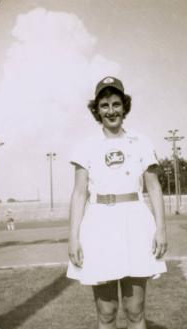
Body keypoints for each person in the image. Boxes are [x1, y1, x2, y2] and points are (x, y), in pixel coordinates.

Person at [67, 76, 167, 329]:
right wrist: (73, 238)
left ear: (124, 106)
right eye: (104, 106)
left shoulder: (142, 142)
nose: (111, 111)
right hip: (99, 223)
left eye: (115, 104)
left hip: (135, 222)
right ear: (96, 110)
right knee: (107, 312)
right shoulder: (86, 146)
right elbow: (79, 194)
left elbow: (154, 187)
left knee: (135, 310)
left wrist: (161, 230)